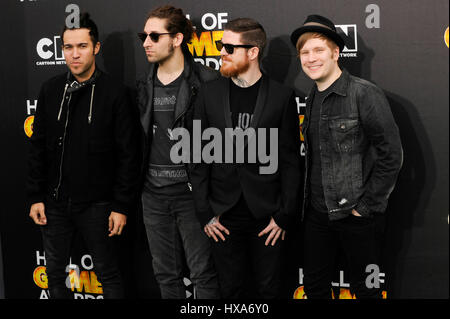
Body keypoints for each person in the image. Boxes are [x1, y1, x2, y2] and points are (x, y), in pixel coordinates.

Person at [26, 13, 141, 299]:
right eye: (68, 47)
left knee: (108, 274)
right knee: (53, 275)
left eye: (82, 46)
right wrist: (35, 196)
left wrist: (121, 205)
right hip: (54, 204)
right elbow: (37, 146)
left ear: (96, 48)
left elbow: (129, 155)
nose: (74, 54)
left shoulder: (116, 93)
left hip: (98, 206)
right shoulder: (51, 90)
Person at [290, 14, 403, 299]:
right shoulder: (311, 96)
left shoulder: (364, 94)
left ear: (336, 52)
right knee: (314, 289)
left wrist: (365, 207)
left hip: (357, 217)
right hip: (317, 214)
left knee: (367, 291)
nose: (311, 58)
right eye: (305, 52)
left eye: (318, 50)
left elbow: (392, 155)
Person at [190, 18, 301, 299]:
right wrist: (204, 212)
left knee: (269, 289)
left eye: (229, 47)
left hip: (267, 215)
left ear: (252, 52)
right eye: (220, 45)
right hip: (222, 215)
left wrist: (284, 215)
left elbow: (290, 160)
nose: (221, 53)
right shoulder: (208, 94)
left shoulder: (282, 96)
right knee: (230, 290)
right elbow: (196, 156)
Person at [136, 5, 220, 299]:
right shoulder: (144, 85)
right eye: (143, 36)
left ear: (177, 39)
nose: (146, 42)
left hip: (193, 197)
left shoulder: (208, 81)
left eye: (154, 36)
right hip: (153, 196)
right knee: (165, 275)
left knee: (203, 275)